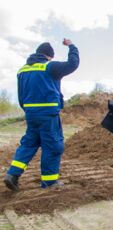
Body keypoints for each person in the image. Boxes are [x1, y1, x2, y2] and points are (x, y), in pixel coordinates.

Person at [3, 39, 79, 191]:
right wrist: (72, 46)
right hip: (48, 115)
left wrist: (29, 111)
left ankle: (12, 175)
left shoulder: (22, 70)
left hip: (31, 115)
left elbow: (21, 96)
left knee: (29, 144)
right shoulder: (49, 66)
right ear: (49, 56)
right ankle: (50, 182)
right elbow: (73, 64)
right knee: (53, 146)